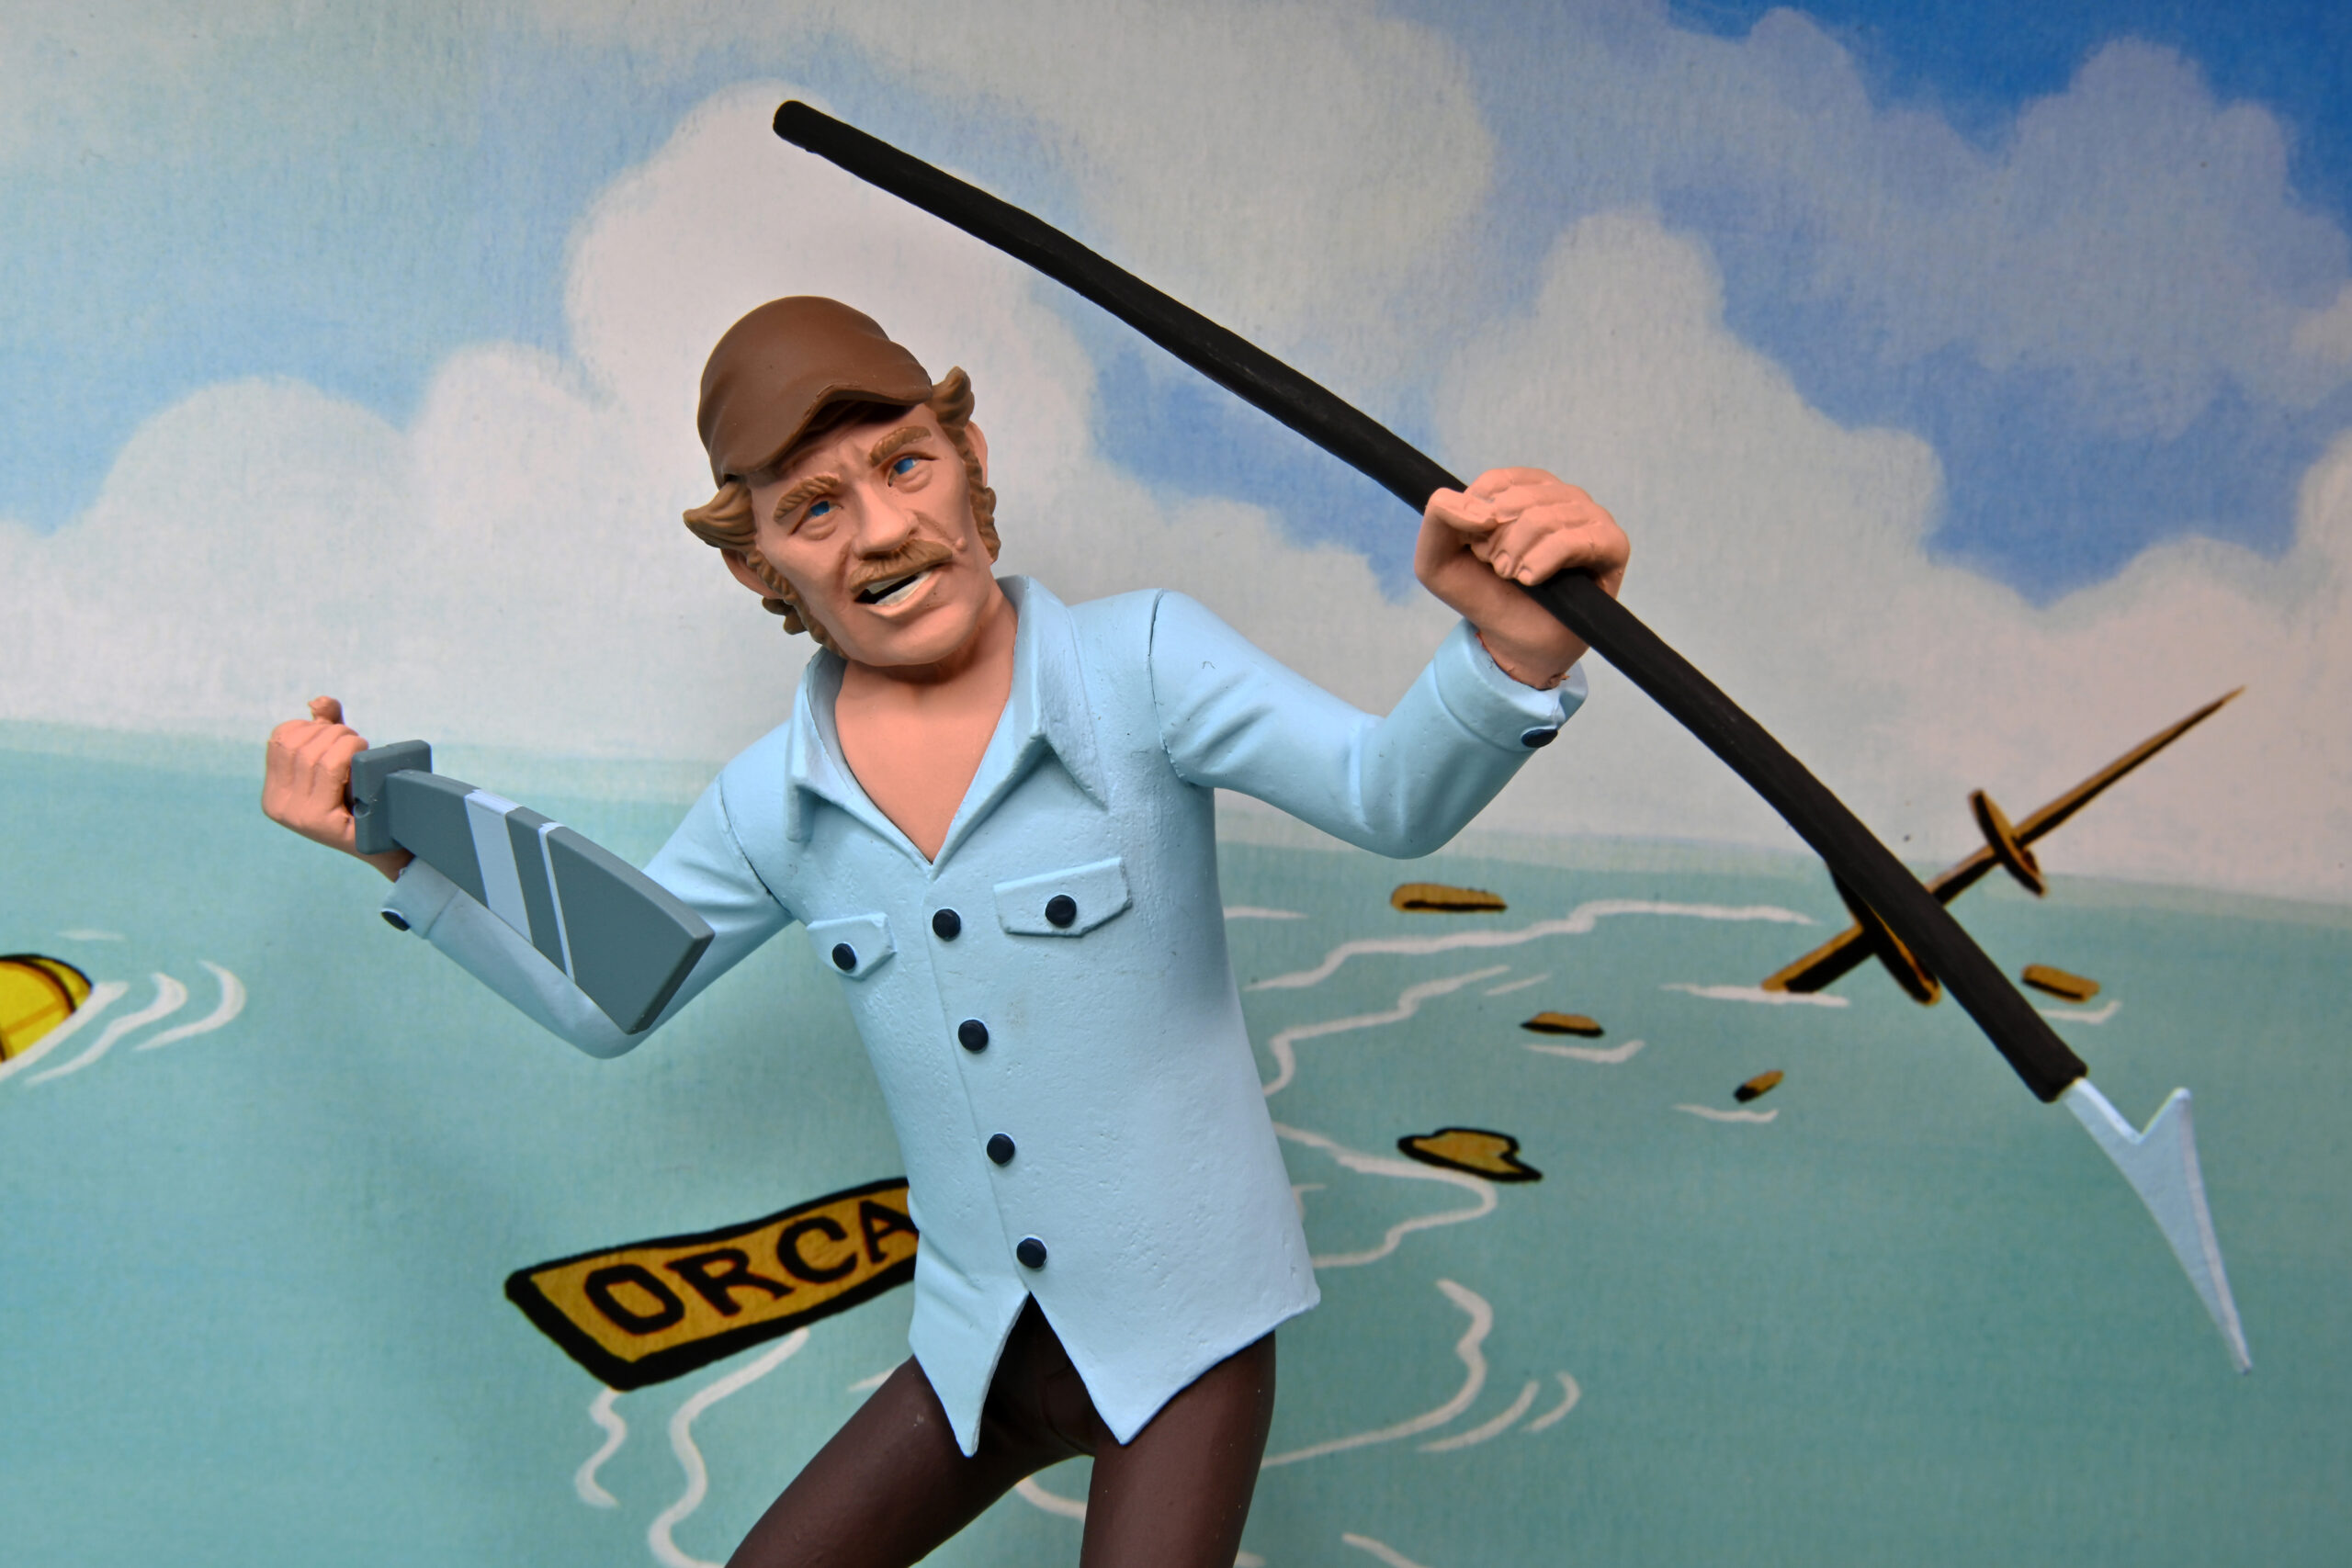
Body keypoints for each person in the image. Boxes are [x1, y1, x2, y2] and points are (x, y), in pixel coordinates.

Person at [263, 297, 1629, 1568]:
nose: (881, 529)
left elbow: (1386, 797)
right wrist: (401, 848)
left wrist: (1513, 651)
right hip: (979, 1342)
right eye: (813, 506)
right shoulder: (770, 803)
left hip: (1186, 1335)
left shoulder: (1142, 666)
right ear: (755, 562)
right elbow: (606, 997)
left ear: (971, 459)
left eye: (904, 464)